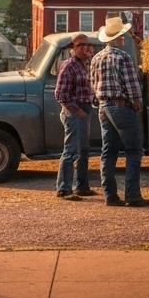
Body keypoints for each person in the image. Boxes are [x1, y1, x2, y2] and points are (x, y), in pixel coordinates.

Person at [90, 16, 149, 207]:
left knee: (108, 152)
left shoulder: (96, 58)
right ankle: (132, 194)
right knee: (134, 150)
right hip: (121, 106)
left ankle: (110, 195)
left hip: (103, 106)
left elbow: (93, 85)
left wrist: (99, 103)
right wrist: (137, 104)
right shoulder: (123, 57)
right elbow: (133, 86)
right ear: (120, 38)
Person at [53, 33, 95, 200]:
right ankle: (64, 189)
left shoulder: (88, 64)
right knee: (71, 151)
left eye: (87, 45)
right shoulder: (69, 65)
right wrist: (77, 110)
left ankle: (82, 187)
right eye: (80, 45)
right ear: (73, 48)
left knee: (83, 151)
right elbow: (60, 94)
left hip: (85, 109)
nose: (85, 48)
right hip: (73, 111)